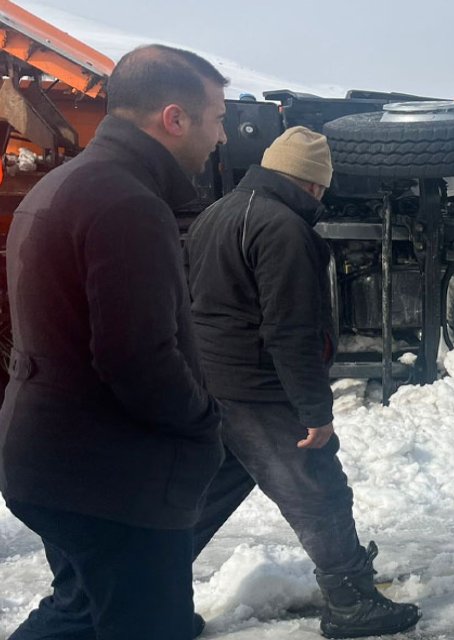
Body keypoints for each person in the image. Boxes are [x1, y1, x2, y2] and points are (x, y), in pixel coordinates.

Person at [0, 45, 226, 639]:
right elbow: (137, 359)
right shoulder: (127, 203)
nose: (223, 137)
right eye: (218, 118)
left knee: (77, 617)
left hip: (59, 463)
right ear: (174, 118)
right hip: (110, 481)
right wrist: (204, 422)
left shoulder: (70, 183)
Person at [186, 128, 420, 637]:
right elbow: (290, 328)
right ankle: (351, 602)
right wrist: (315, 411)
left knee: (208, 494)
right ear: (313, 184)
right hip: (259, 388)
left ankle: (150, 592)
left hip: (213, 382)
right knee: (319, 490)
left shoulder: (218, 213)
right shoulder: (283, 228)